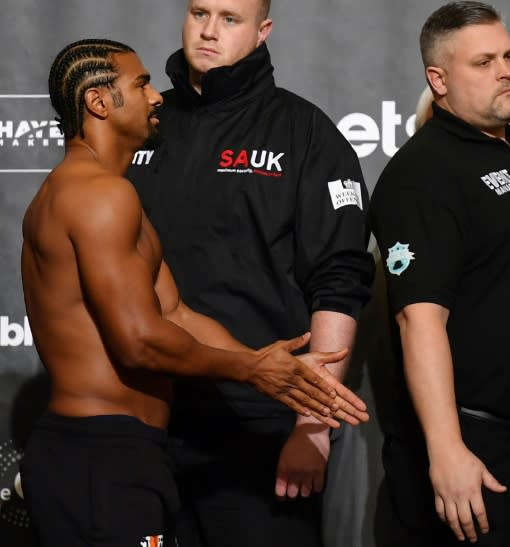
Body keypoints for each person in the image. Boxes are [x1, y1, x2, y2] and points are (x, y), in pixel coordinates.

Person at [19, 38, 368, 547]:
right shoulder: (100, 195)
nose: (156, 95)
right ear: (98, 102)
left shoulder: (100, 192)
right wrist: (252, 370)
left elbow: (176, 314)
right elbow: (138, 341)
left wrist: (278, 372)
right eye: (138, 85)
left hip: (125, 453)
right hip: (99, 455)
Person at [126, 1, 375, 545]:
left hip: (260, 428)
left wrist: (313, 427)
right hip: (143, 421)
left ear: (263, 31)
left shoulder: (305, 131)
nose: (209, 30)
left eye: (230, 18)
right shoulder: (141, 126)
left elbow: (339, 281)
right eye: (199, 12)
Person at [369, 2, 510, 545]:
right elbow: (418, 321)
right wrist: (447, 450)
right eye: (483, 62)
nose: (505, 70)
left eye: (509, 55)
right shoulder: (423, 173)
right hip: (480, 456)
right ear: (439, 79)